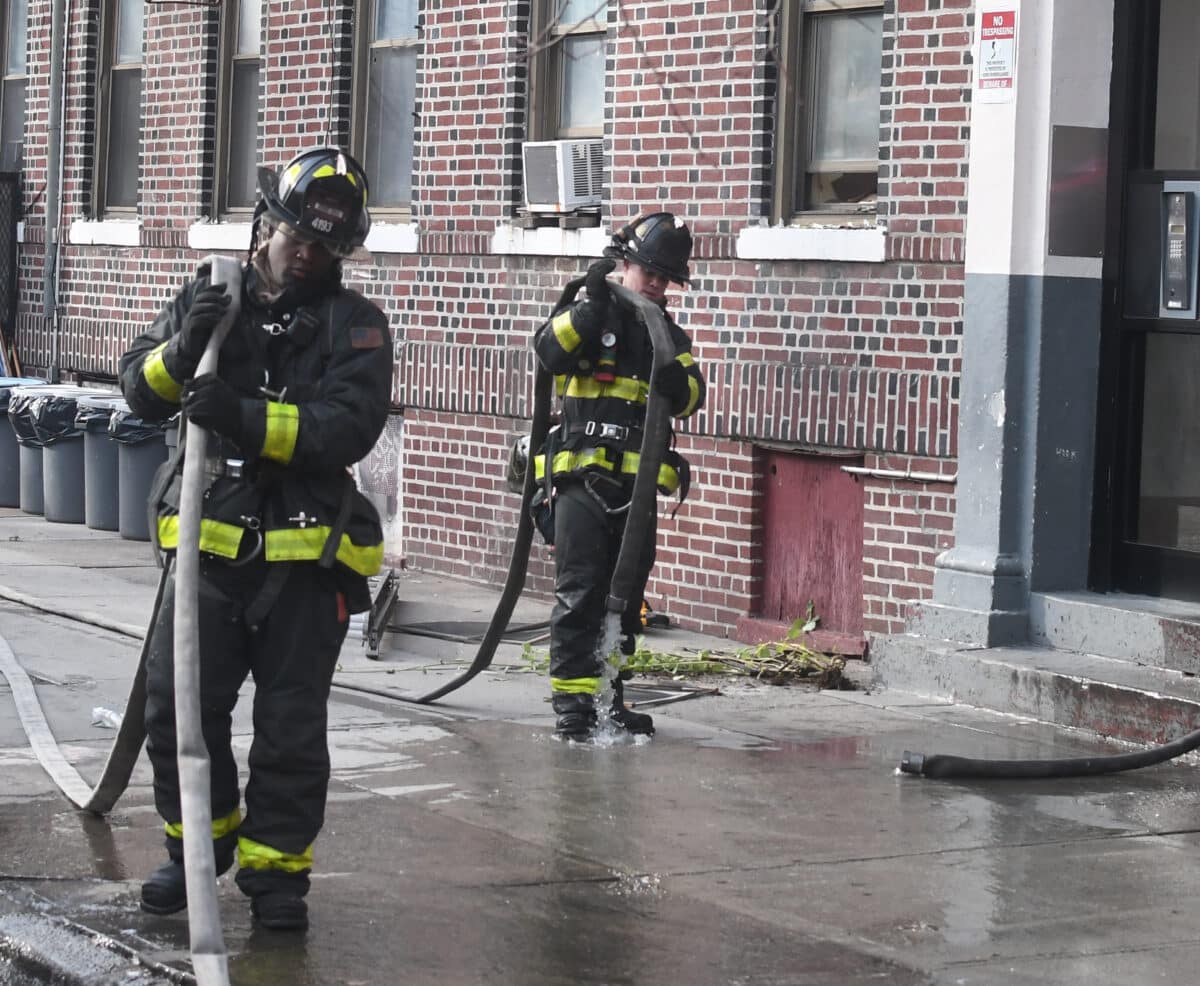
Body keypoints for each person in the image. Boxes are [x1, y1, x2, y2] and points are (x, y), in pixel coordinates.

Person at [118, 148, 392, 931]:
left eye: (323, 247)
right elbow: (138, 391)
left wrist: (242, 418)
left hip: (307, 565)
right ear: (265, 224)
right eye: (296, 237)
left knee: (290, 730)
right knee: (177, 710)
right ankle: (197, 850)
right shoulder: (211, 296)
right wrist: (184, 349)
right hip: (209, 552)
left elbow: (346, 428)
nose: (305, 255)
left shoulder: (357, 326)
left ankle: (277, 880)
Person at [532, 212, 705, 740]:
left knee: (625, 600)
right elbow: (547, 351)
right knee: (580, 593)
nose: (654, 284)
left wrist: (677, 382)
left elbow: (693, 397)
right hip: (581, 484)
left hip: (635, 494)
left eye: (664, 278)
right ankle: (574, 706)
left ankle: (611, 697)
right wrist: (587, 313)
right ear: (624, 264)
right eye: (647, 272)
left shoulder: (666, 334)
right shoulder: (589, 313)